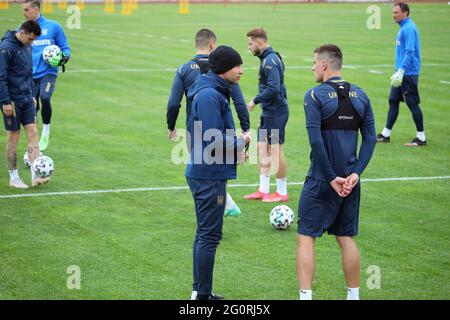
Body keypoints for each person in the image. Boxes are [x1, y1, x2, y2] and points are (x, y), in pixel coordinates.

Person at [296, 45, 376, 300]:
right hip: (351, 182)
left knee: (306, 237)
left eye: (313, 63)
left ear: (323, 65)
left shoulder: (315, 95)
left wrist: (331, 177)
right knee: (346, 237)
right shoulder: (362, 95)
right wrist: (356, 174)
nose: (311, 67)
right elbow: (371, 139)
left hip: (322, 179)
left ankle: (305, 297)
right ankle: (353, 296)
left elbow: (316, 142)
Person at [185, 45, 251, 300]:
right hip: (207, 176)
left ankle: (201, 292)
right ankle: (201, 296)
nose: (241, 71)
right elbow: (213, 138)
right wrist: (241, 142)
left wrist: (235, 150)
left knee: (205, 234)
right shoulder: (210, 95)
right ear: (224, 68)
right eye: (238, 66)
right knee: (209, 236)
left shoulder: (214, 89)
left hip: (208, 171)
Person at [167, 28, 249, 217]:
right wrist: (245, 132)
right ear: (213, 44)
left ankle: (216, 210)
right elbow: (239, 101)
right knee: (215, 174)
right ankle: (216, 211)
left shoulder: (185, 68)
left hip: (193, 129)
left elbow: (173, 103)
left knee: (204, 171)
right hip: (219, 129)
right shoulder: (224, 71)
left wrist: (171, 126)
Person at [0, 21, 50, 188]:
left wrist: (31, 94)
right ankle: (13, 178)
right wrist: (5, 101)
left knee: (33, 132)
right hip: (12, 101)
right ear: (22, 33)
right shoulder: (6, 48)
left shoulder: (27, 46)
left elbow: (28, 73)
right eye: (30, 38)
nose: (32, 42)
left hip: (27, 98)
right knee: (14, 137)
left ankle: (35, 176)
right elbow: (1, 77)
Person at [244, 28, 289, 203]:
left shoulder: (270, 60)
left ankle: (281, 192)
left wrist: (255, 101)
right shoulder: (266, 59)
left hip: (276, 113)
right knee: (262, 148)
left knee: (276, 151)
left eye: (250, 44)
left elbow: (274, 87)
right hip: (268, 112)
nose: (249, 47)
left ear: (259, 41)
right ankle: (263, 189)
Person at [23, 0, 71, 151]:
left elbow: (66, 49)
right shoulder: (22, 29)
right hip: (30, 76)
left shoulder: (53, 27)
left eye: (26, 10)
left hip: (48, 73)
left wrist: (62, 58)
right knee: (32, 107)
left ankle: (46, 129)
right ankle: (34, 140)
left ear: (35, 9)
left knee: (45, 97)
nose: (23, 13)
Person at [377, 2, 426, 146]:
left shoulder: (409, 29)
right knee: (393, 100)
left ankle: (421, 137)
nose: (394, 15)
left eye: (396, 12)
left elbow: (410, 52)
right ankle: (386, 134)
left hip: (407, 73)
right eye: (393, 12)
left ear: (405, 13)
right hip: (400, 73)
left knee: (412, 103)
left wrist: (401, 70)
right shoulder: (403, 28)